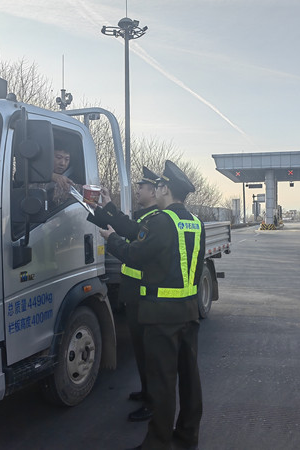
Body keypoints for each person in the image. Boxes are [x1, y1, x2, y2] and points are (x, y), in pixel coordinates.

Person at [100, 160, 204, 450]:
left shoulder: (161, 222)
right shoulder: (194, 222)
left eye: (157, 186)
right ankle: (187, 437)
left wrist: (112, 239)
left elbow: (134, 255)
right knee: (190, 380)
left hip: (161, 316)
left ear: (165, 189)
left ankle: (157, 443)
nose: (155, 190)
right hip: (188, 311)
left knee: (162, 382)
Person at [88, 167, 159, 422]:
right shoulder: (146, 217)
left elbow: (129, 234)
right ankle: (147, 391)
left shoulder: (155, 219)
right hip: (135, 293)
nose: (137, 191)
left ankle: (153, 402)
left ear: (154, 192)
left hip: (144, 295)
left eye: (141, 187)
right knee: (140, 349)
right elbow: (127, 226)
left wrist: (111, 236)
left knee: (148, 352)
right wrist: (106, 206)